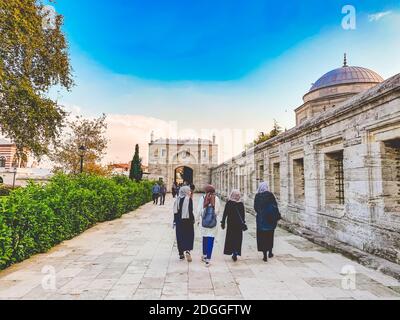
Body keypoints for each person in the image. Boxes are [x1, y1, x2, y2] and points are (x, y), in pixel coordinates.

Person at [254, 182, 281, 262]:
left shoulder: (257, 196)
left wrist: (261, 212)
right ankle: (270, 252)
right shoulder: (270, 195)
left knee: (262, 237)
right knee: (270, 236)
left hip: (261, 219)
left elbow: (255, 207)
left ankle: (264, 255)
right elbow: (275, 206)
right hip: (270, 219)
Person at [197, 184, 220, 267]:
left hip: (204, 222)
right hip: (213, 222)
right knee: (211, 238)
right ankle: (208, 260)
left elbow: (199, 211)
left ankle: (204, 255)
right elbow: (217, 211)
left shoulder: (202, 198)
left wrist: (197, 220)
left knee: (205, 237)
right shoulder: (216, 198)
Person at [221, 190, 246, 262]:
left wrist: (223, 223)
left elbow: (225, 213)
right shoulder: (241, 204)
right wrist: (243, 222)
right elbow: (243, 215)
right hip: (238, 224)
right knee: (237, 238)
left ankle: (232, 251)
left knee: (231, 237)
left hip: (231, 224)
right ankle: (235, 252)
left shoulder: (229, 203)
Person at [173, 186, 195, 262]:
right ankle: (188, 250)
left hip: (179, 221)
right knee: (188, 235)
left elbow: (175, 212)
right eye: (188, 191)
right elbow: (190, 211)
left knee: (180, 236)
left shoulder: (177, 200)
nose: (190, 192)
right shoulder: (189, 199)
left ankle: (181, 254)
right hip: (187, 221)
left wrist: (175, 221)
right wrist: (193, 220)